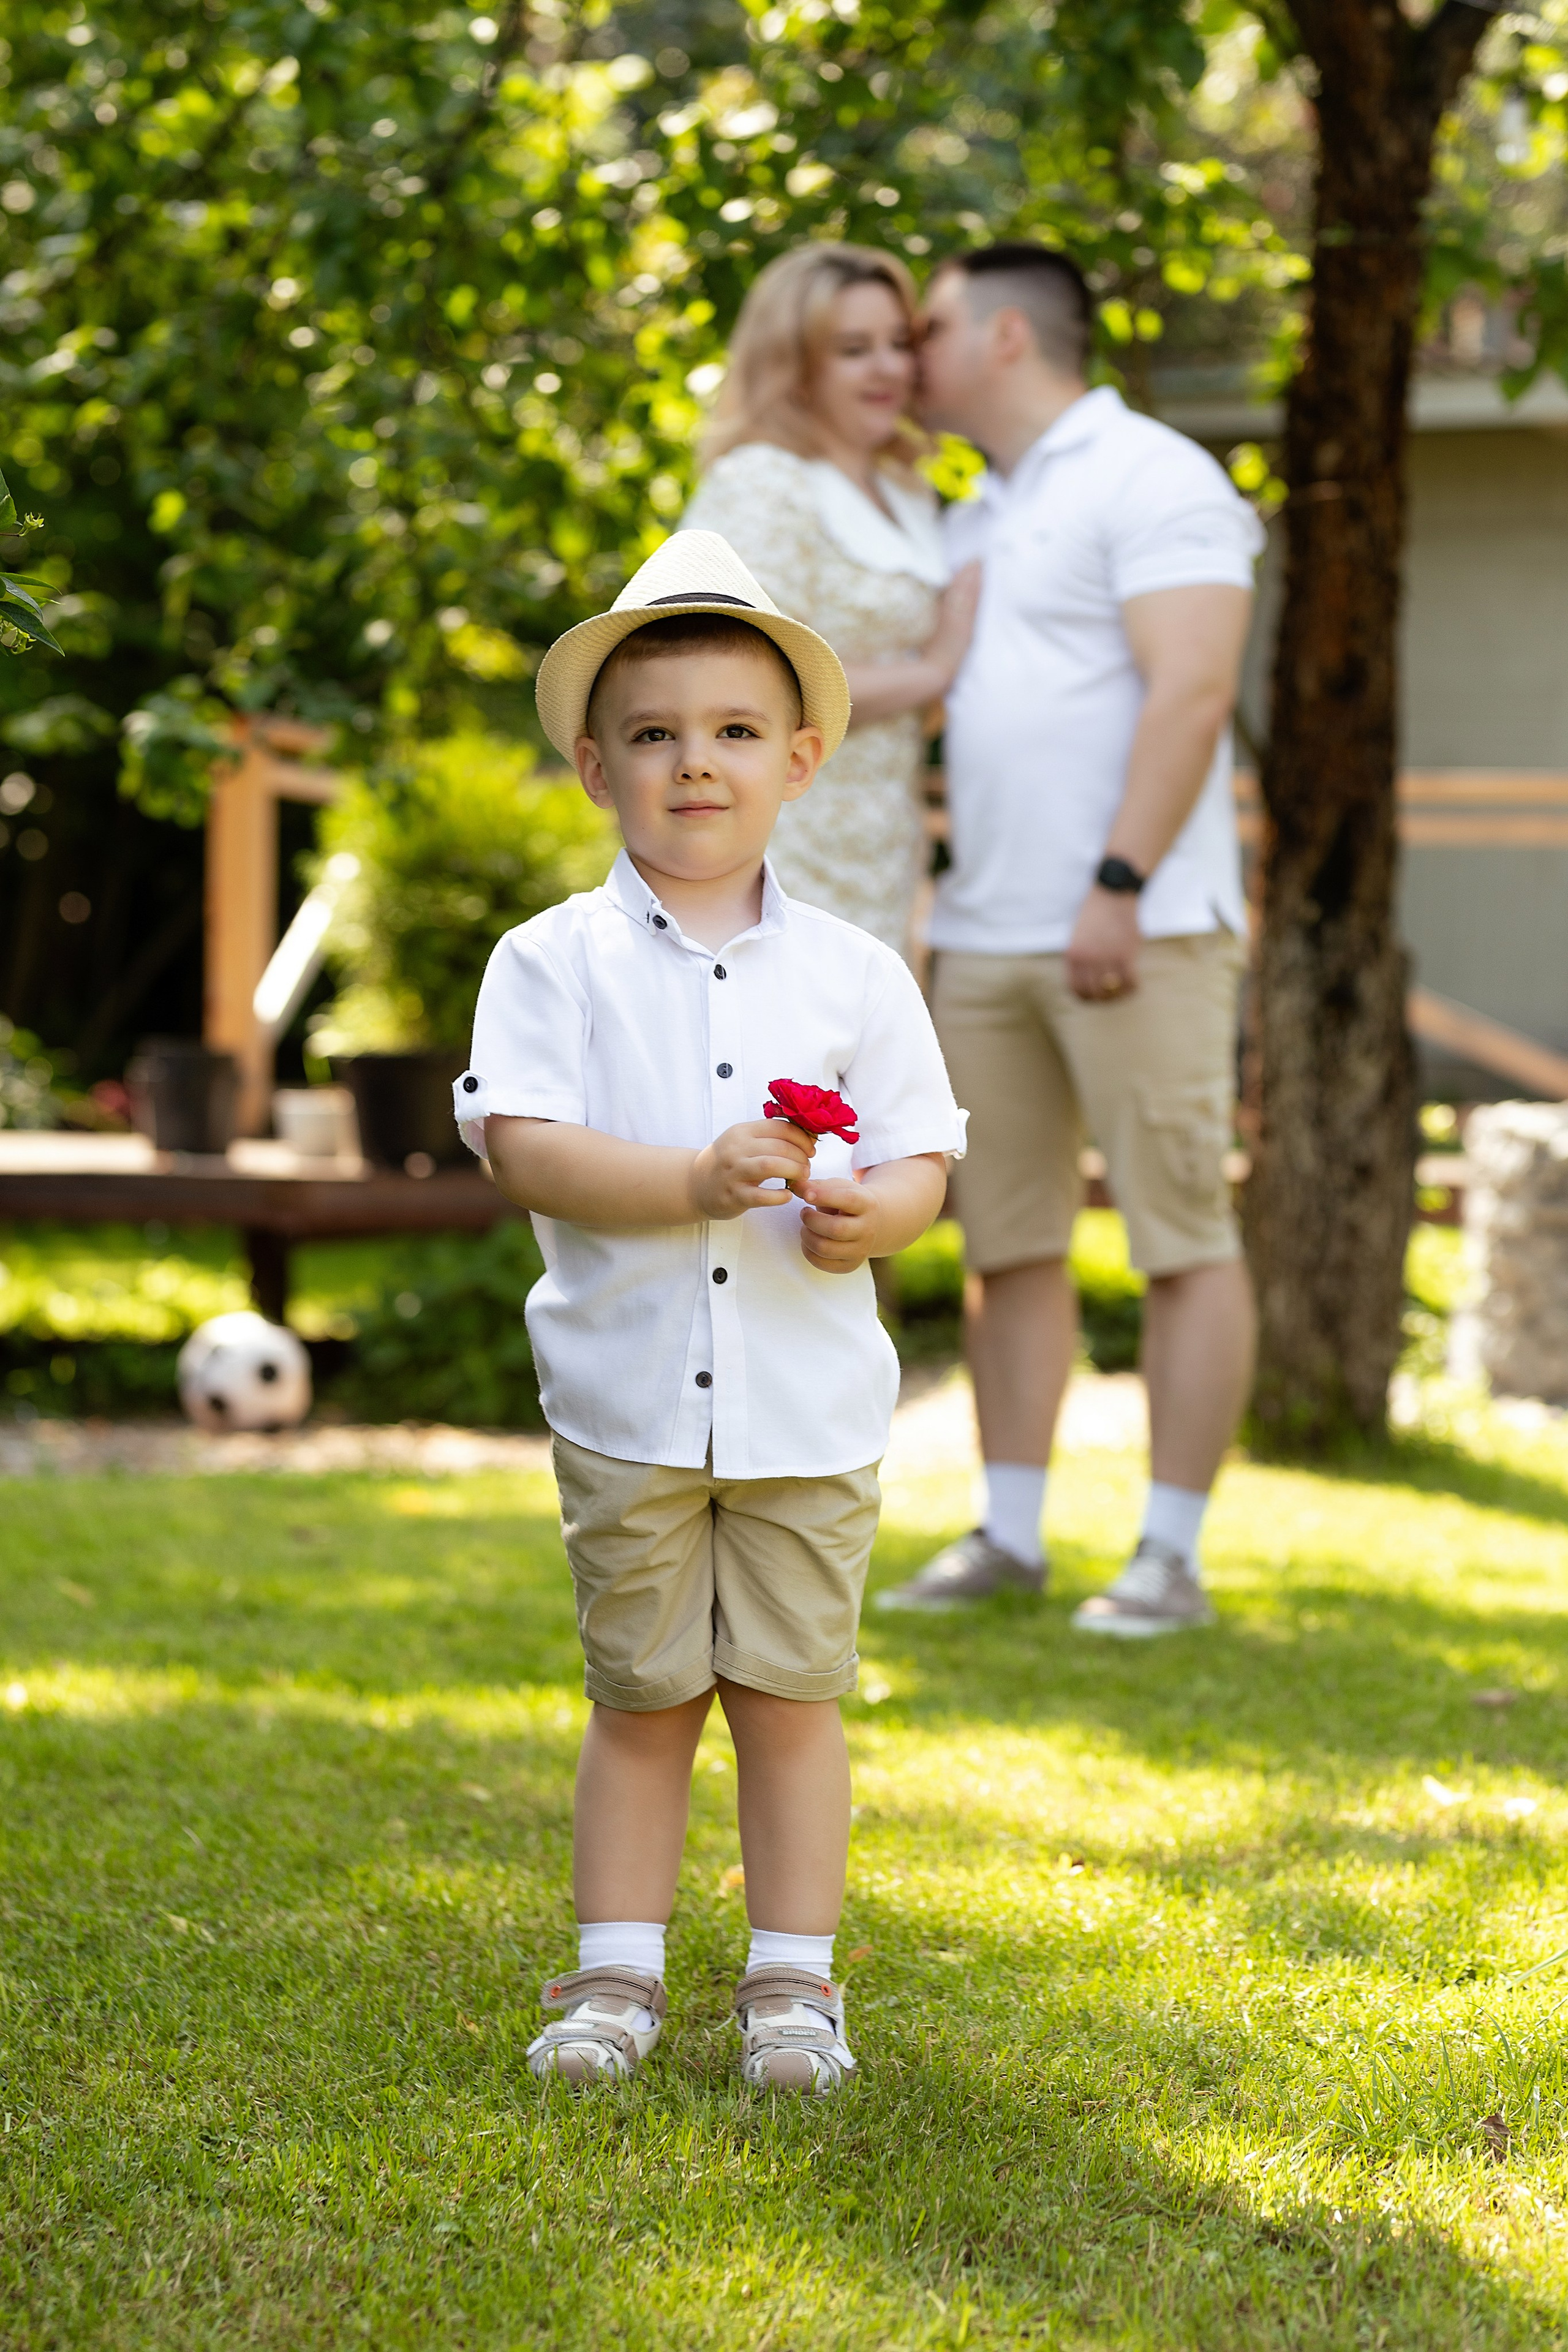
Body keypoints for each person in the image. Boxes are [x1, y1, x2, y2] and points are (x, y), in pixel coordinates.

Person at [454, 529, 964, 2089]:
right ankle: (613, 1978)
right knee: (643, 1697)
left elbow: (920, 1157)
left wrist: (869, 1218)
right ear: (594, 765)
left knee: (790, 1697)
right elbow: (523, 1145)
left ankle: (792, 1986)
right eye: (655, 734)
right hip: (629, 1404)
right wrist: (690, 1178)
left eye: (735, 730)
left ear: (798, 762)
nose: (695, 762)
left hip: (805, 1410)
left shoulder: (857, 972)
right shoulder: (551, 961)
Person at [878, 242, 1263, 1635]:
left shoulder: (1154, 475)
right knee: (1006, 1243)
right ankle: (1010, 1531)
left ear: (1001, 336)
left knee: (1179, 1236)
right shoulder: (972, 510)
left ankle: (1168, 1557)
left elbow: (1193, 689)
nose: (904, 353)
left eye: (924, 327)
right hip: (984, 931)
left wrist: (1117, 882)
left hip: (1136, 923)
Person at [680, 242, 981, 956]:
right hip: (774, 853)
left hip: (883, 853)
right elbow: (733, 687)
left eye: (898, 343)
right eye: (853, 349)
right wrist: (934, 672)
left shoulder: (906, 489)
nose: (888, 368)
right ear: (794, 363)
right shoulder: (761, 483)